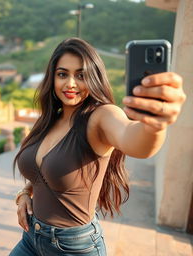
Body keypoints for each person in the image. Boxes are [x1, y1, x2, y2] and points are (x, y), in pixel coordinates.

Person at [10, 37, 186, 256]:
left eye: (81, 75)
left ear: (95, 78)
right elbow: (41, 172)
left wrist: (155, 124)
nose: (71, 83)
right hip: (31, 238)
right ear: (52, 78)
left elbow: (136, 141)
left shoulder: (101, 116)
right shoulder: (49, 120)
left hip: (73, 247)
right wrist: (24, 193)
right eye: (62, 74)